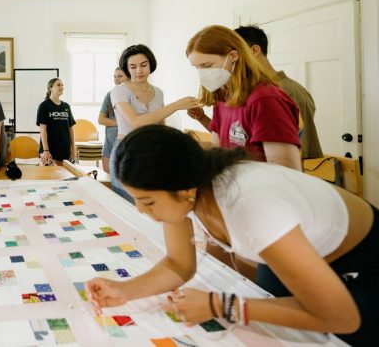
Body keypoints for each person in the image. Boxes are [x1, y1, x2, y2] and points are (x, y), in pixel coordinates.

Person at [87, 125, 376, 346]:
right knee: (276, 317)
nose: (141, 211)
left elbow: (341, 317)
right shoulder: (187, 187)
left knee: (337, 329)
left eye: (148, 202)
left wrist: (219, 304)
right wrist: (125, 290)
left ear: (186, 189)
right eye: (136, 199)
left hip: (365, 256)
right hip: (301, 248)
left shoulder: (253, 208)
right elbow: (179, 264)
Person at [186, 25, 301, 170]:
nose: (202, 74)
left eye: (207, 65)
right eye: (197, 67)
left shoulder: (265, 99)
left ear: (233, 56)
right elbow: (219, 149)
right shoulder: (222, 96)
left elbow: (286, 171)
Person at [109, 44, 199, 197]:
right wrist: (176, 105)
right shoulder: (119, 91)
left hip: (151, 151)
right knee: (127, 202)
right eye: (133, 66)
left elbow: (159, 125)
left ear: (151, 64)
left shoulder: (158, 92)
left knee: (151, 202)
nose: (139, 70)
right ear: (127, 69)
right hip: (125, 151)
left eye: (143, 65)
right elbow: (136, 122)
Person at [234, 24, 323, 159]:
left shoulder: (289, 91)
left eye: (235, 53)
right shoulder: (251, 90)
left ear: (254, 50)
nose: (232, 59)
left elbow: (304, 150)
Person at [37, 78, 77, 166]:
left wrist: (73, 148)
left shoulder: (66, 106)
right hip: (49, 152)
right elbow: (43, 130)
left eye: (62, 85)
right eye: (58, 85)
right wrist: (46, 150)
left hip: (65, 152)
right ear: (50, 88)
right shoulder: (44, 106)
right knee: (49, 179)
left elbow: (71, 129)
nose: (61, 87)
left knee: (65, 179)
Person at [98, 67, 126, 174]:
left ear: (128, 77)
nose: (116, 79)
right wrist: (120, 123)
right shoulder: (109, 95)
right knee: (108, 176)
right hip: (110, 143)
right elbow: (101, 119)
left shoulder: (133, 95)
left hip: (126, 144)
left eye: (120, 76)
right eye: (114, 76)